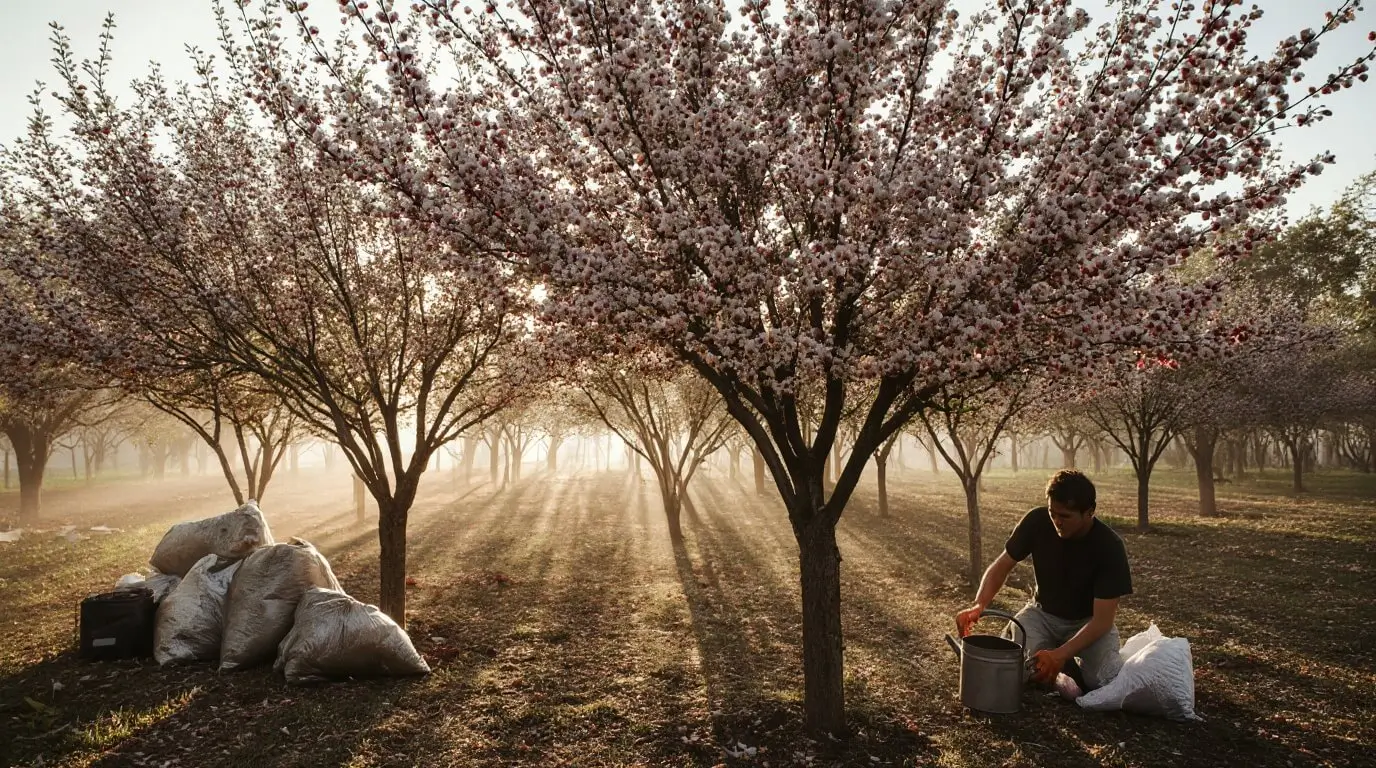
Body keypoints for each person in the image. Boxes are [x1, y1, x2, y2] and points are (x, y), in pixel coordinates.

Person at [954, 469, 1132, 695]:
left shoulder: (1109, 546)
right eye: (1052, 512)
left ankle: (1064, 662)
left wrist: (1060, 654)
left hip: (1087, 622)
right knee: (1022, 669)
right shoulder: (1036, 521)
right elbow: (1002, 566)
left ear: (1089, 512)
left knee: (1105, 681)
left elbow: (1102, 621)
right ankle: (1058, 670)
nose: (1057, 521)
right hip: (1042, 614)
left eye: (1065, 516)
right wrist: (979, 604)